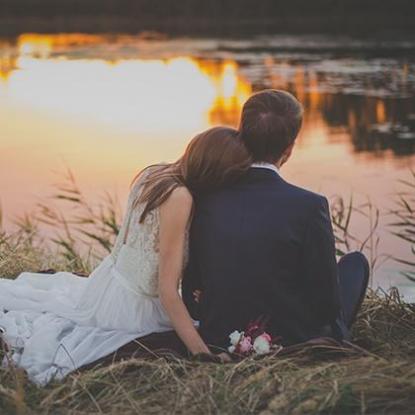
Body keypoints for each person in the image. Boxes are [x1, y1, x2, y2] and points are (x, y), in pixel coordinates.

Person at [0, 126, 251, 384]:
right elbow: (166, 291)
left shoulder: (155, 172)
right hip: (133, 308)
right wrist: (202, 355)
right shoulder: (180, 197)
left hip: (108, 285)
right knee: (192, 335)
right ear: (217, 174)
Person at [182, 90, 370, 352]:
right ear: (290, 147)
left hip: (219, 333)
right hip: (288, 337)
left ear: (242, 135)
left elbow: (191, 292)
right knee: (354, 265)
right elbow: (326, 303)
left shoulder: (204, 198)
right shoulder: (309, 206)